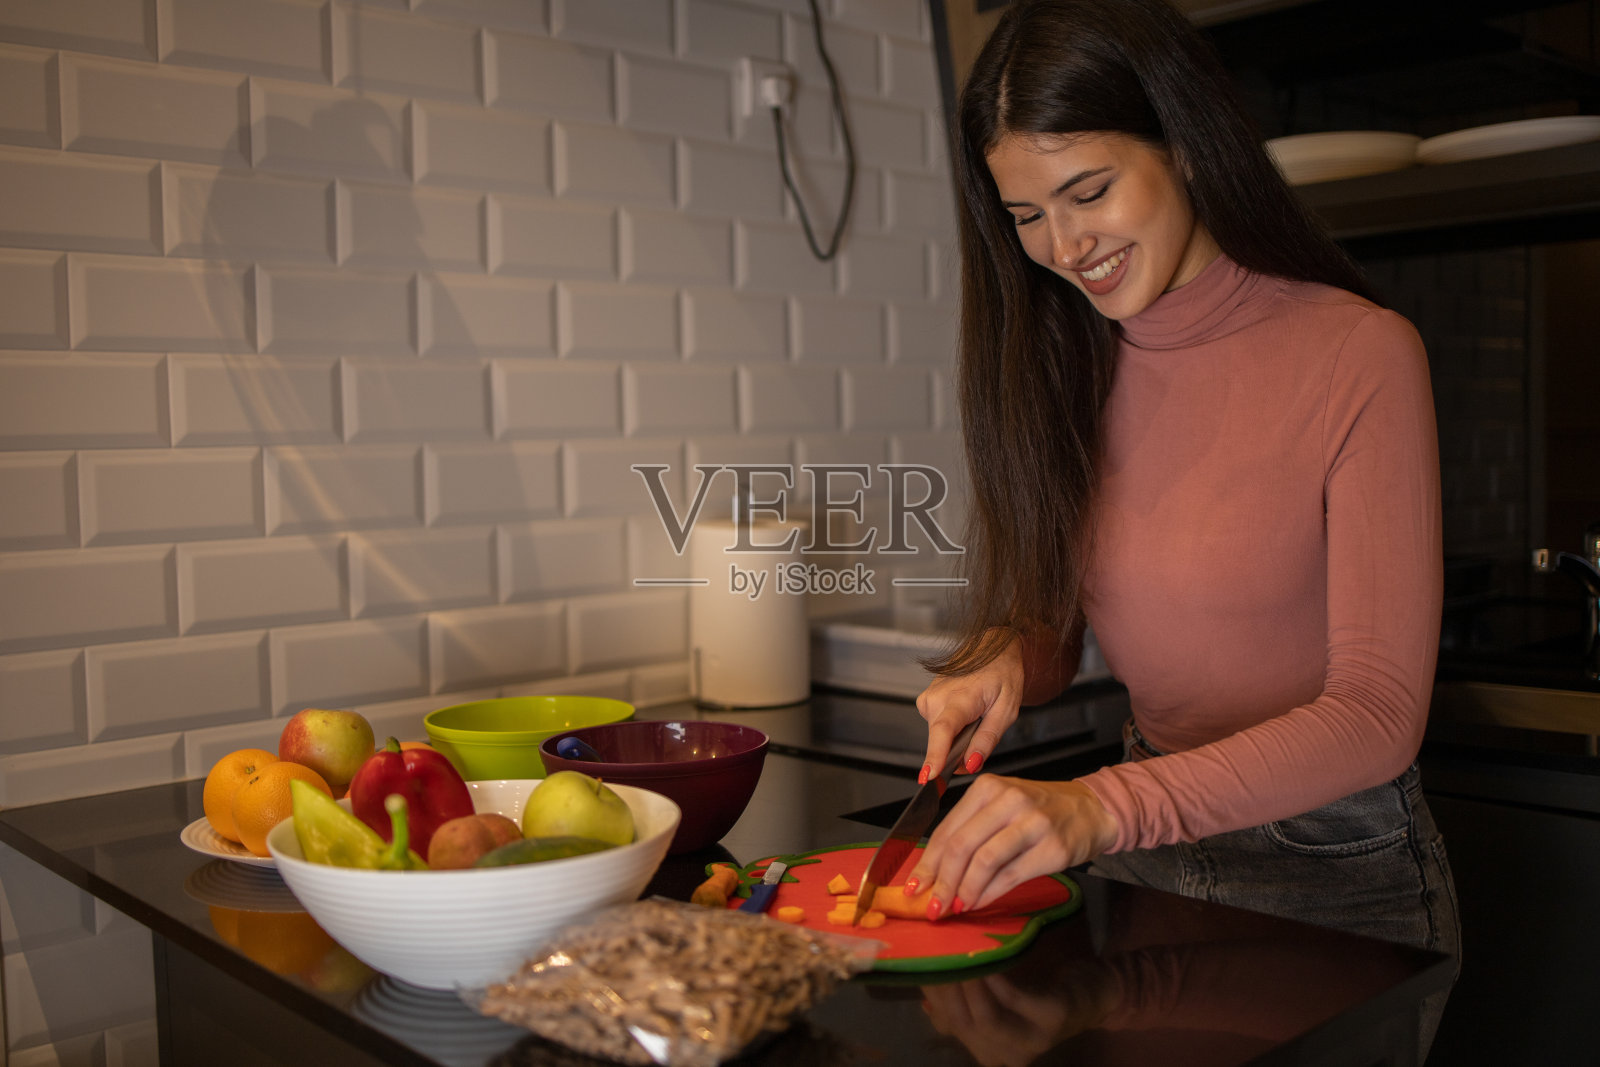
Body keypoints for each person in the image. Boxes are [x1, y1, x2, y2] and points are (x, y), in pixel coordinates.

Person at [906, 0, 1460, 1053]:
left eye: (1089, 190)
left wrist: (1097, 809)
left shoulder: (1359, 354)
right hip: (1149, 866)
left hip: (1337, 879)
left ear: (1187, 146)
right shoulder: (1063, 359)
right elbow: (1053, 621)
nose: (1063, 246)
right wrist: (1001, 661)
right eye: (1025, 215)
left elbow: (1380, 711)